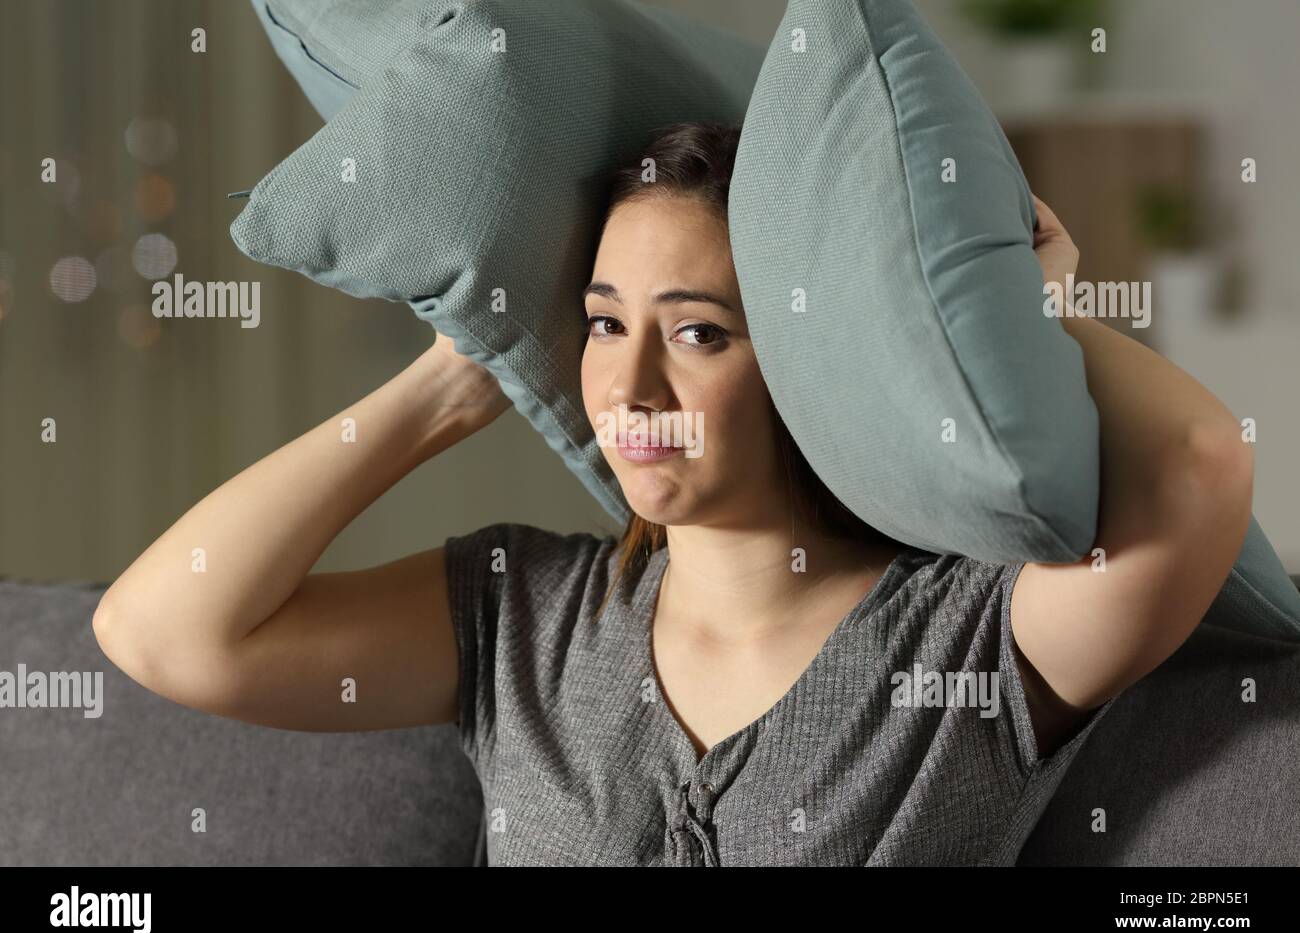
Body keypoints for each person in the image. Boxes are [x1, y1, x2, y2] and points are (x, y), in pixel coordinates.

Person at [92, 122, 1254, 865]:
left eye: (697, 331)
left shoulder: (965, 643)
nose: (631, 383)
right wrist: (450, 383)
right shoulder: (525, 617)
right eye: (603, 323)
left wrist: (1016, 315)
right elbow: (164, 630)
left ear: (805, 362)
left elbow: (1197, 466)